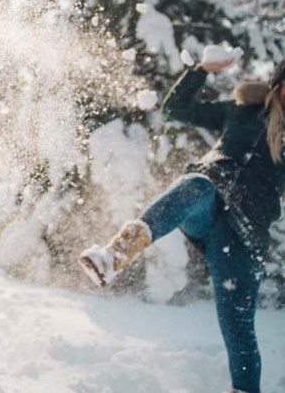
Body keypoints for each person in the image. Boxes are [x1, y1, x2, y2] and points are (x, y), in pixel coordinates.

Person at [79, 56, 283, 393]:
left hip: (244, 238)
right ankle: (114, 255)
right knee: (195, 184)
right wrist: (201, 71)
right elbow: (176, 108)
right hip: (210, 201)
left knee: (239, 331)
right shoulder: (242, 110)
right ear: (279, 84)